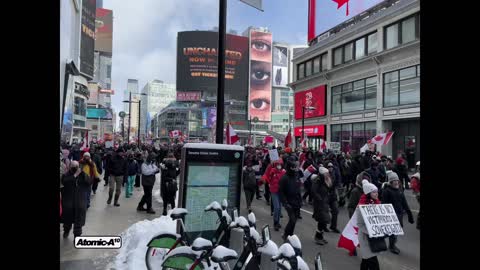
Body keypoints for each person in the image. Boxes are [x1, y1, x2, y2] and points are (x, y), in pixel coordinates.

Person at [381, 171, 414, 254]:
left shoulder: (399, 191)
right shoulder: (386, 191)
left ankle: (388, 243)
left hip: (399, 215)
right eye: (394, 180)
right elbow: (383, 205)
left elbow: (405, 203)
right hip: (391, 216)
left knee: (395, 231)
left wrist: (409, 214)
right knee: (392, 232)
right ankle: (391, 246)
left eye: (397, 180)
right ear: (390, 182)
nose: (396, 182)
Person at [356, 179, 383, 270]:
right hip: (365, 237)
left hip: (373, 237)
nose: (377, 194)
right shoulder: (361, 207)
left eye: (377, 192)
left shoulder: (377, 203)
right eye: (374, 192)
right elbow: (360, 224)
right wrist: (371, 231)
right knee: (373, 261)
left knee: (366, 260)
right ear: (368, 194)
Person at [61, 161, 92, 238]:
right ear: (70, 167)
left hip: (80, 202)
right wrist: (75, 175)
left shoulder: (82, 175)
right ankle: (66, 230)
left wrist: (83, 173)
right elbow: (65, 182)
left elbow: (89, 182)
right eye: (73, 166)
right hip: (68, 202)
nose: (75, 168)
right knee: (67, 219)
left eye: (76, 166)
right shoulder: (66, 175)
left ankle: (77, 236)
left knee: (79, 220)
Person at [279, 157, 302, 241]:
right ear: (289, 167)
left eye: (295, 167)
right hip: (289, 202)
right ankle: (285, 234)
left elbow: (298, 189)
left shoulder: (296, 176)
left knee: (294, 220)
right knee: (292, 220)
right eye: (292, 167)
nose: (294, 169)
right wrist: (285, 203)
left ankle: (290, 234)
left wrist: (300, 200)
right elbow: (281, 192)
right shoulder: (284, 178)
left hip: (296, 202)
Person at [263, 160, 286, 231]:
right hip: (274, 191)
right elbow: (267, 176)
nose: (279, 166)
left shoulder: (283, 172)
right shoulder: (272, 170)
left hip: (281, 192)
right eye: (278, 164)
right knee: (276, 207)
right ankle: (275, 222)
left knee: (279, 208)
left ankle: (278, 222)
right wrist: (270, 166)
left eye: (280, 164)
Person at [311, 168, 332, 245]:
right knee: (322, 220)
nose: (328, 174)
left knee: (324, 221)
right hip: (319, 203)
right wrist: (319, 199)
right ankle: (318, 237)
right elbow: (314, 191)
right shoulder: (318, 181)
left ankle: (320, 236)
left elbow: (329, 189)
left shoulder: (325, 180)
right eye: (326, 173)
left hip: (325, 202)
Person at [325, 162, 340, 233]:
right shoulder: (324, 175)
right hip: (326, 195)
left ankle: (333, 226)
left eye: (331, 167)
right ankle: (324, 226)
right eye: (329, 167)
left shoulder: (334, 173)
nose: (330, 168)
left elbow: (337, 182)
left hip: (333, 195)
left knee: (335, 210)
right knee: (325, 211)